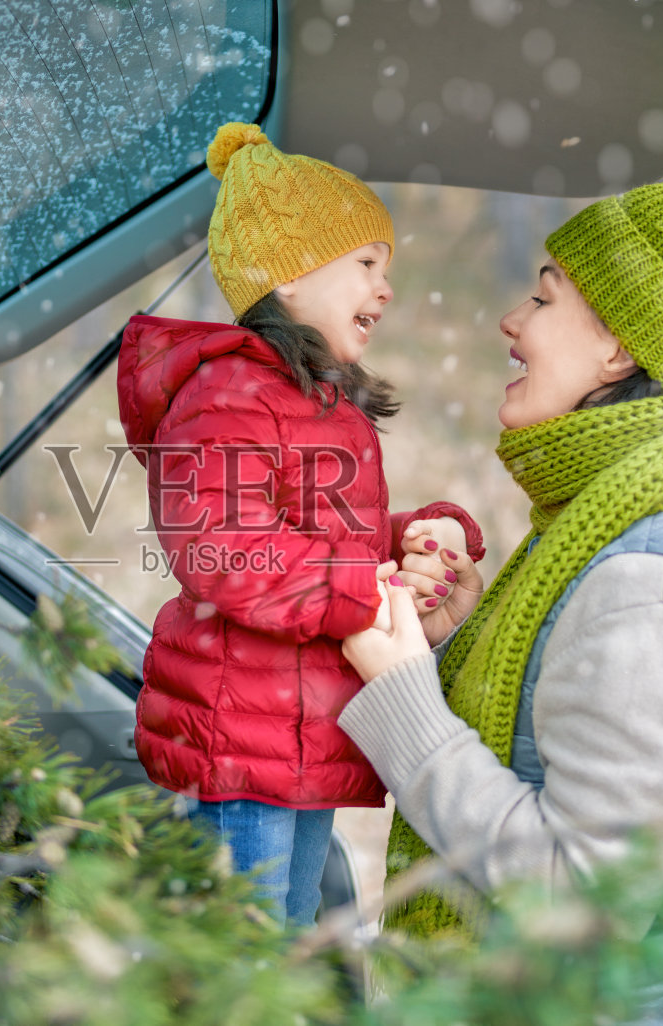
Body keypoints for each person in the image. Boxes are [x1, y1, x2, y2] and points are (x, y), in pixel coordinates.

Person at [339, 155, 663, 1023]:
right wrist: (466, 638)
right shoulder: (635, 514)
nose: (511, 319)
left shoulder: (649, 586)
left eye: (542, 297)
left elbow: (580, 902)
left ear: (617, 345)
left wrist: (406, 706)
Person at [116, 122, 485, 928]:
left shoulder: (315, 403)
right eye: (366, 265)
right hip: (238, 743)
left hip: (304, 740)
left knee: (289, 960)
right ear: (282, 278)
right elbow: (224, 552)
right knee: (239, 971)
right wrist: (362, 588)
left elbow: (320, 533)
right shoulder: (224, 400)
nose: (386, 289)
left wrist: (415, 539)